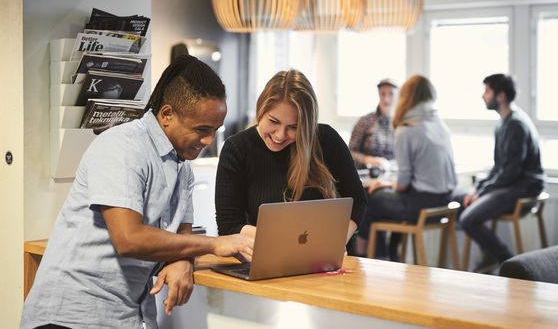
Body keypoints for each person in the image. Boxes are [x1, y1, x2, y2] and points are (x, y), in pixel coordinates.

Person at [20, 55, 254, 329]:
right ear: (167, 115)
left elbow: (182, 234)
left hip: (126, 317)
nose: (208, 140)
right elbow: (129, 239)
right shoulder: (122, 147)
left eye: (215, 130)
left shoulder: (183, 166)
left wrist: (183, 260)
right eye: (201, 129)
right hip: (71, 316)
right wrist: (216, 243)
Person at [215, 69, 366, 246]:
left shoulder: (326, 140)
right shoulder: (237, 149)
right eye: (273, 121)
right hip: (266, 256)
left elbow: (357, 202)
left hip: (327, 260)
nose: (280, 135)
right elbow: (229, 225)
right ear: (261, 110)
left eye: (294, 127)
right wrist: (290, 239)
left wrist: (336, 243)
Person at [357, 75, 458, 261]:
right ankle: (391, 257)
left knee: (368, 200)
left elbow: (403, 183)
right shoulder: (439, 125)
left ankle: (373, 258)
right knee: (384, 201)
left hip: (423, 204)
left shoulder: (407, 129)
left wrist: (387, 185)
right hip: (446, 202)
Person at [454, 74, 544, 274]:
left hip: (523, 187)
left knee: (468, 219)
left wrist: (482, 193)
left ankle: (508, 261)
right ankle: (489, 255)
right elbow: (498, 167)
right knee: (459, 200)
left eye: (487, 91)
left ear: (501, 95)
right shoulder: (503, 123)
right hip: (509, 184)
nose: (483, 96)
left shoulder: (515, 125)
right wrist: (479, 188)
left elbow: (511, 172)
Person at [349, 78, 397, 170]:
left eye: (391, 94)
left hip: (394, 175)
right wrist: (367, 159)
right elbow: (350, 152)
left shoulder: (402, 123)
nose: (386, 99)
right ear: (379, 94)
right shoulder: (365, 121)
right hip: (368, 174)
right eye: (383, 94)